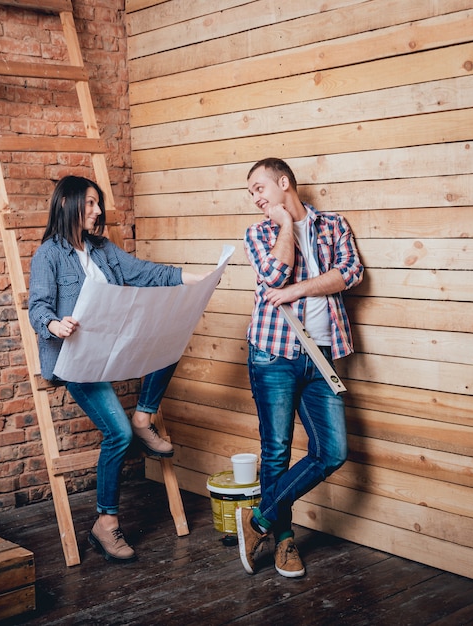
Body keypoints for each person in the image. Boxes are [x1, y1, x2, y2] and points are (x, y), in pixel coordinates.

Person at [28, 175, 205, 563]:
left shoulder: (104, 249)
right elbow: (37, 307)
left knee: (169, 342)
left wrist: (197, 281)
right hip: (76, 362)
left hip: (113, 349)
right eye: (90, 203)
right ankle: (105, 523)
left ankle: (145, 417)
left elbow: (145, 273)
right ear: (67, 205)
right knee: (118, 435)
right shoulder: (49, 255)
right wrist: (55, 325)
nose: (97, 211)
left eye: (98, 204)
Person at [236, 158, 364, 578]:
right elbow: (273, 275)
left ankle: (259, 519)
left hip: (322, 354)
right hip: (272, 354)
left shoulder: (331, 224)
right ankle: (284, 541)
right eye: (251, 192)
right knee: (276, 451)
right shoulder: (259, 233)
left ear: (284, 182)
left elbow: (350, 272)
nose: (255, 198)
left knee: (332, 452)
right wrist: (286, 226)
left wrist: (299, 290)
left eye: (259, 188)